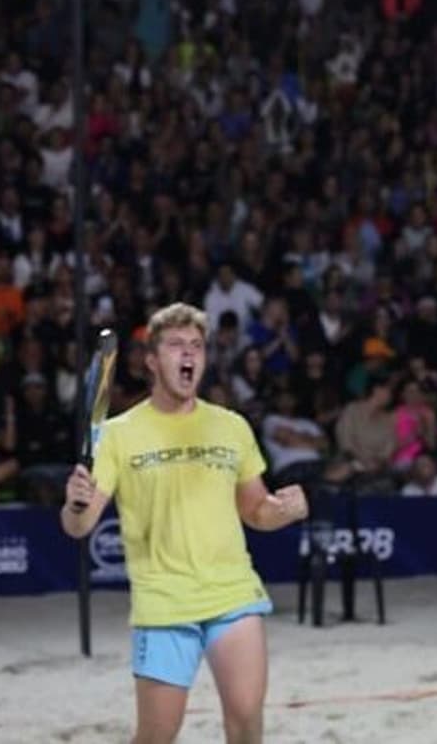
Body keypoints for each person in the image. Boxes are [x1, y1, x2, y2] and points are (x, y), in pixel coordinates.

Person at [60, 303, 309, 744]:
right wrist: (76, 505)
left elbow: (255, 509)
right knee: (157, 735)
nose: (188, 353)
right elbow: (78, 527)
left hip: (232, 594)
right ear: (152, 361)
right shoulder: (117, 434)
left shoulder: (231, 427)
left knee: (248, 720)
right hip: (163, 605)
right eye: (175, 345)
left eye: (196, 345)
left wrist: (285, 509)